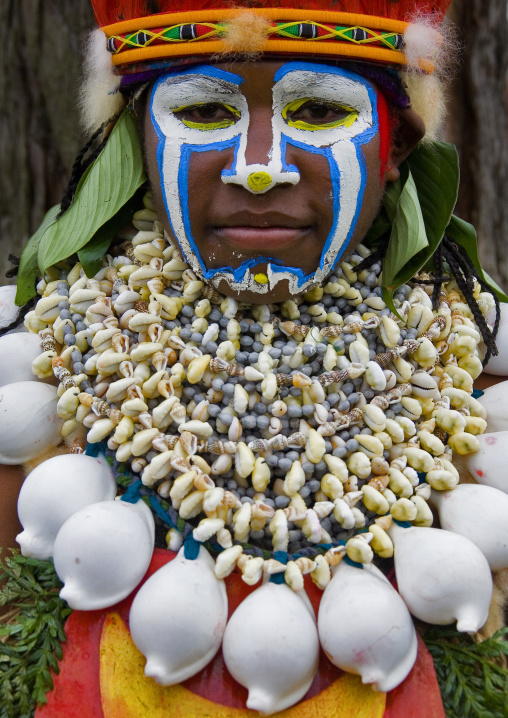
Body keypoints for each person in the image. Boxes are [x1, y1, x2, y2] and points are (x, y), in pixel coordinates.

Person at [2, 1, 508, 716]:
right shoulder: (38, 372)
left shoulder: (476, 382)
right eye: (207, 114)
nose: (260, 168)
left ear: (396, 149)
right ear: (134, 143)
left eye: (320, 112)